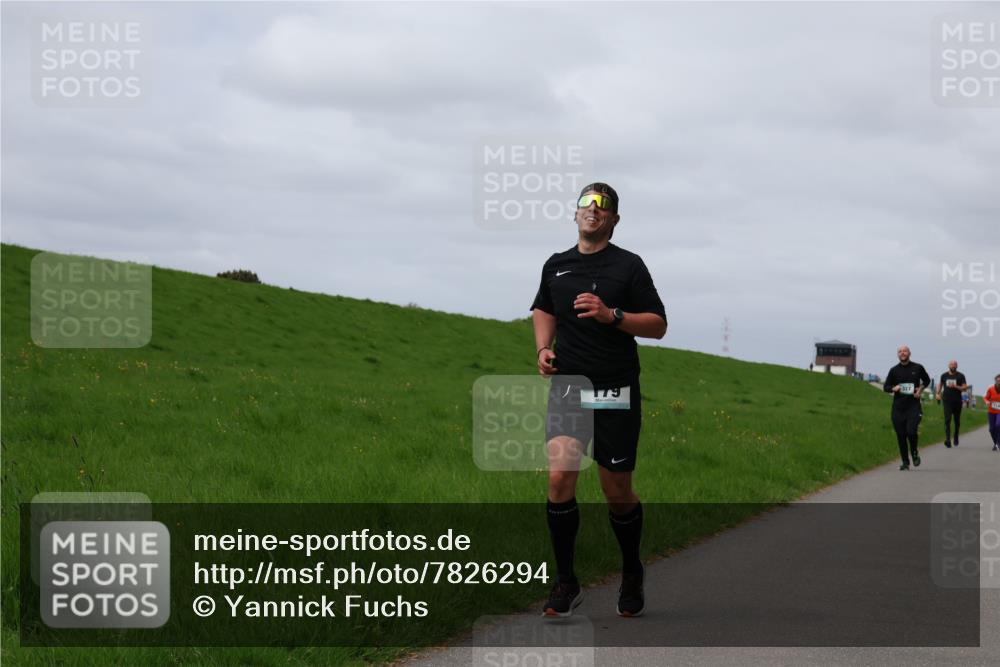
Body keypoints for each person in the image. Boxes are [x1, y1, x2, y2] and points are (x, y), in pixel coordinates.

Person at [531, 182, 667, 618]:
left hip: (614, 388)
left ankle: (631, 570)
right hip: (570, 385)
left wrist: (614, 316)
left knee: (617, 490)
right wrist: (543, 348)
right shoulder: (556, 265)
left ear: (614, 218)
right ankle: (566, 582)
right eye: (586, 203)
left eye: (603, 205)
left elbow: (658, 324)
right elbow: (543, 308)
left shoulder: (629, 266)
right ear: (575, 214)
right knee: (559, 480)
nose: (593, 210)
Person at [883, 346, 931, 470]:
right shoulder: (893, 370)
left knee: (911, 431)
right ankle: (905, 462)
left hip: (913, 406)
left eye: (905, 351)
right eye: (900, 351)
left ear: (909, 353)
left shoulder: (918, 367)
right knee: (901, 435)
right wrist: (894, 388)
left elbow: (926, 380)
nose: (902, 353)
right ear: (897, 355)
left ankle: (914, 452)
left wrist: (920, 390)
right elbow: (886, 387)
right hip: (898, 408)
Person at [935, 360, 969, 447]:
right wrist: (937, 393)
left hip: (957, 401)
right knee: (947, 420)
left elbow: (965, 388)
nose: (953, 366)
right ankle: (948, 439)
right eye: (951, 364)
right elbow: (940, 384)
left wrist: (956, 386)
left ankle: (956, 436)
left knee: (957, 421)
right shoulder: (944, 375)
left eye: (954, 365)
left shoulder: (961, 376)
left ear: (957, 366)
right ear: (948, 366)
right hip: (946, 401)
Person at [985, 375, 1000, 452]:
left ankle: (998, 443)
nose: (999, 382)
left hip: (999, 412)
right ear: (995, 381)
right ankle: (996, 443)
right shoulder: (991, 389)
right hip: (991, 411)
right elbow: (986, 397)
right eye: (998, 381)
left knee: (998, 425)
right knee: (991, 429)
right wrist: (987, 401)